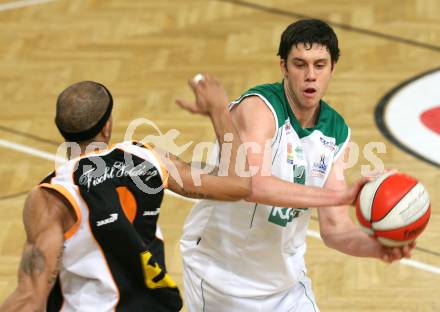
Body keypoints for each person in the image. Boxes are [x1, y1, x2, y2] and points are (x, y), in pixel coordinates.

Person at [180, 19, 415, 311]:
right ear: (283, 67)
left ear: (333, 69)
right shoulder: (260, 108)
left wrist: (377, 249)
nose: (310, 76)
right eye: (300, 64)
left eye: (320, 65)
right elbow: (251, 185)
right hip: (221, 281)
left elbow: (334, 227)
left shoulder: (336, 132)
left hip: (286, 285)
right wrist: (340, 196)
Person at [0, 74, 250, 311]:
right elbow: (238, 184)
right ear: (107, 126)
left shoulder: (51, 197)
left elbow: (31, 298)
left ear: (59, 128)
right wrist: (218, 110)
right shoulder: (147, 158)